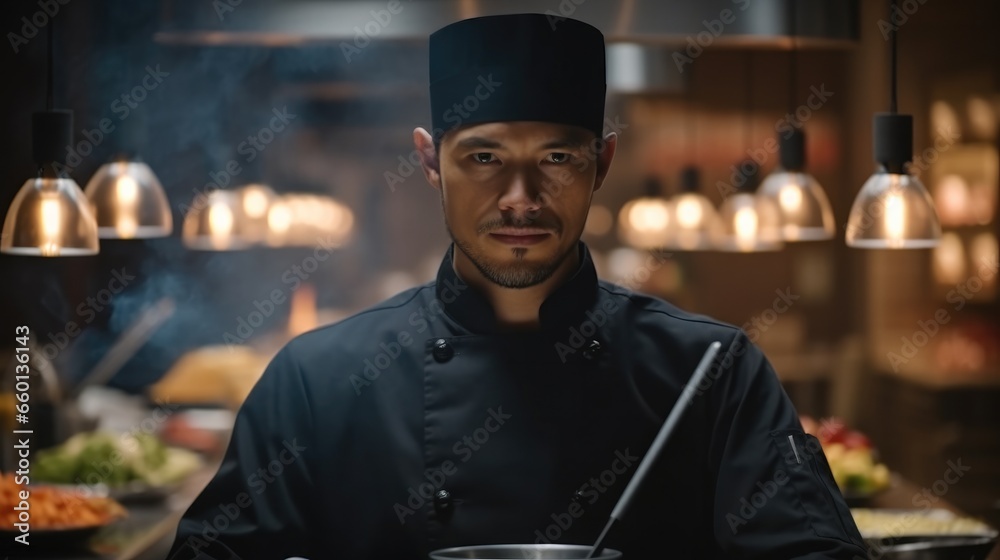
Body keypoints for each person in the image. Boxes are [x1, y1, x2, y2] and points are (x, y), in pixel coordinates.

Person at [167, 14, 868, 559]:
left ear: (603, 163)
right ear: (429, 162)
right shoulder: (313, 382)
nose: (520, 197)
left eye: (557, 157)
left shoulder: (715, 372)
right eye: (484, 157)